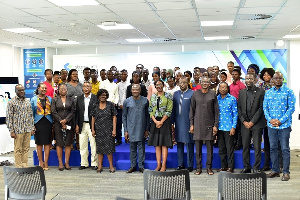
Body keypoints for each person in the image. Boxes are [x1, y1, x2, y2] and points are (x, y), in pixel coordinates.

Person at [263, 72, 296, 181]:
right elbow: (265, 108)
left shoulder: (289, 92)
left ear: (283, 80)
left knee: (284, 149)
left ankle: (286, 172)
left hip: (284, 126)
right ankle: (275, 170)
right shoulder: (268, 93)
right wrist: (270, 120)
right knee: (273, 148)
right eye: (276, 78)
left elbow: (291, 108)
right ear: (273, 80)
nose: (277, 80)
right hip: (271, 126)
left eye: (280, 78)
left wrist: (280, 121)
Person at [190, 76, 219, 175]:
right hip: (197, 124)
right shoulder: (195, 94)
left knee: (209, 148)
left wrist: (215, 125)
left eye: (207, 82)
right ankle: (198, 168)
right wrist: (191, 124)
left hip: (209, 124)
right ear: (200, 83)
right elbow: (192, 110)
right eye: (203, 82)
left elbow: (216, 112)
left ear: (209, 83)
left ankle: (209, 168)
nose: (205, 83)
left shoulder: (213, 94)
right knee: (198, 148)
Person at [238, 73, 266, 173]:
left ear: (255, 80)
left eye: (250, 78)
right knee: (245, 146)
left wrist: (252, 122)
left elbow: (261, 109)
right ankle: (247, 167)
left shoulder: (261, 92)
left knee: (257, 147)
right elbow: (239, 108)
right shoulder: (241, 92)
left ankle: (256, 168)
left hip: (257, 124)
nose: (248, 80)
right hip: (244, 124)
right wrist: (244, 121)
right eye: (246, 79)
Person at [123, 84, 150, 173]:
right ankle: (133, 166)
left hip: (141, 127)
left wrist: (147, 129)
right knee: (132, 147)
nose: (135, 91)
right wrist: (126, 130)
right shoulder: (127, 101)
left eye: (137, 90)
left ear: (140, 90)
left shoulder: (145, 100)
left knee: (141, 147)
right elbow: (124, 116)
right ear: (131, 91)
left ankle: (141, 166)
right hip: (130, 128)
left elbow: (147, 116)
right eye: (133, 90)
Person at [6, 84, 35, 168]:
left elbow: (30, 115)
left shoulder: (27, 101)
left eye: (23, 90)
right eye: (20, 90)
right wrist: (11, 130)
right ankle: (18, 167)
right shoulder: (11, 102)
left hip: (27, 129)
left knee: (26, 148)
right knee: (18, 149)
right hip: (17, 130)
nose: (22, 92)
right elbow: (9, 117)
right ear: (16, 91)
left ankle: (25, 165)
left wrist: (32, 128)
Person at [148, 80, 173, 172]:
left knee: (164, 144)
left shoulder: (168, 96)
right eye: (157, 85)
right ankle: (158, 164)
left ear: (163, 85)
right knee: (157, 144)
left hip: (165, 121)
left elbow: (169, 110)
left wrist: (161, 121)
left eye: (160, 84)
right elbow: (150, 110)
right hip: (155, 122)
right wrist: (155, 121)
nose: (159, 86)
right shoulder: (153, 96)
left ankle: (164, 165)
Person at [91, 89, 117, 173]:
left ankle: (111, 166)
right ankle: (100, 166)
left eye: (105, 95)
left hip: (108, 129)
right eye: (101, 95)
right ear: (98, 96)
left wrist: (114, 130)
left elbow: (114, 117)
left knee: (109, 149)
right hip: (99, 130)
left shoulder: (110, 105)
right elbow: (93, 117)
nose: (103, 97)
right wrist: (93, 129)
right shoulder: (95, 105)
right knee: (99, 149)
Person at [51, 83, 76, 171]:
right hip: (58, 124)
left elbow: (73, 111)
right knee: (59, 143)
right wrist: (61, 120)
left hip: (69, 123)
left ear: (67, 90)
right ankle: (60, 163)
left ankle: (67, 162)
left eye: (64, 89)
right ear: (58, 90)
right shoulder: (55, 99)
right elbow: (53, 111)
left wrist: (66, 120)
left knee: (68, 143)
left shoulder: (71, 99)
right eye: (61, 89)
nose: (63, 90)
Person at [172, 78, 194, 172]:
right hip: (178, 122)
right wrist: (171, 123)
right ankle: (180, 164)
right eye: (180, 83)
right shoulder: (176, 94)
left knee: (189, 143)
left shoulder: (192, 93)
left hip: (188, 122)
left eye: (184, 82)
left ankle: (190, 165)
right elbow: (173, 109)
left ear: (187, 83)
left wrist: (193, 123)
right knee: (179, 143)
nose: (182, 84)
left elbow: (194, 109)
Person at [75, 82, 98, 170]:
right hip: (82, 124)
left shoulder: (95, 98)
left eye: (88, 86)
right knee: (83, 144)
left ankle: (94, 163)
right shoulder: (79, 98)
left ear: (91, 88)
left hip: (92, 125)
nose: (86, 88)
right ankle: (84, 163)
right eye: (84, 86)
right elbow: (76, 113)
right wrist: (77, 124)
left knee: (93, 145)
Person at [31, 83, 53, 170]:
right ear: (38, 88)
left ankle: (46, 162)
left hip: (48, 122)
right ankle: (41, 162)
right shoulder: (33, 99)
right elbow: (31, 113)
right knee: (39, 143)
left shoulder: (50, 99)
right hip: (38, 122)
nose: (44, 90)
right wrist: (32, 125)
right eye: (42, 88)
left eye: (45, 88)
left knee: (47, 143)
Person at [217, 82, 238, 173]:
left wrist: (233, 127)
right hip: (219, 127)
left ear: (227, 88)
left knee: (229, 148)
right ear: (218, 89)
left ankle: (230, 167)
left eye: (224, 87)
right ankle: (223, 166)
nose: (223, 89)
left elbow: (235, 114)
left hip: (229, 127)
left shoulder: (232, 99)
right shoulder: (216, 99)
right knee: (221, 149)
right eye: (221, 87)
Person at [259, 67, 276, 171]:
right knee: (266, 143)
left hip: (274, 117)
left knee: (275, 143)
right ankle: (266, 164)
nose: (266, 77)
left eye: (268, 75)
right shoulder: (260, 86)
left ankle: (277, 165)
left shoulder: (275, 86)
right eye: (264, 75)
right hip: (263, 117)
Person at [230, 68, 245, 150]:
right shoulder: (230, 85)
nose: (234, 75)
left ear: (239, 75)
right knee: (233, 125)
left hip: (239, 107)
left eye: (236, 74)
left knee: (239, 126)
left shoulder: (242, 85)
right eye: (233, 74)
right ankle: (234, 142)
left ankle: (239, 143)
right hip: (231, 108)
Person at [116, 69, 128, 145]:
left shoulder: (130, 84)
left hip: (128, 108)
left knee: (128, 123)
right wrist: (119, 104)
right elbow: (116, 95)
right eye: (122, 74)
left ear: (127, 75)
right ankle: (119, 139)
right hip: (119, 107)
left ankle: (128, 138)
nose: (123, 76)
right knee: (118, 124)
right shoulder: (117, 85)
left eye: (125, 74)